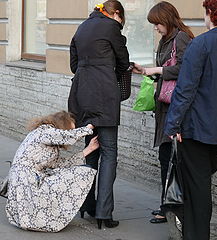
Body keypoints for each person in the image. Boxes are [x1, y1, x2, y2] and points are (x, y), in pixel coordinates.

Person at [164, 0, 217, 239]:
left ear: (210, 13)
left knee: (197, 187)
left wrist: (173, 124)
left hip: (196, 127)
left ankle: (196, 235)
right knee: (202, 178)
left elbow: (185, 89)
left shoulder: (201, 43)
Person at [68, 0, 130, 229]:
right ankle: (104, 213)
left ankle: (87, 205)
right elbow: (123, 62)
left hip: (82, 94)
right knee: (109, 152)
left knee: (91, 148)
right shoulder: (111, 27)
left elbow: (74, 65)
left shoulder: (82, 26)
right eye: (122, 20)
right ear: (116, 14)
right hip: (104, 93)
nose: (120, 24)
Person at [133, 1, 193, 224]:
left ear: (166, 19)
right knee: (166, 157)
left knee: (171, 159)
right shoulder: (167, 39)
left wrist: (157, 69)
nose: (155, 28)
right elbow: (169, 69)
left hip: (176, 109)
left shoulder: (181, 38)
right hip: (165, 107)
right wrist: (147, 71)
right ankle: (166, 206)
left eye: (157, 23)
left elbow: (187, 69)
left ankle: (170, 208)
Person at [5, 111, 99, 232]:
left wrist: (89, 149)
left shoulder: (50, 144)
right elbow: (69, 137)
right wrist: (89, 127)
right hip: (24, 178)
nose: (69, 132)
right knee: (73, 176)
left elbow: (60, 164)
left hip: (30, 177)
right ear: (63, 125)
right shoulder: (44, 131)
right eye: (69, 129)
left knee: (79, 172)